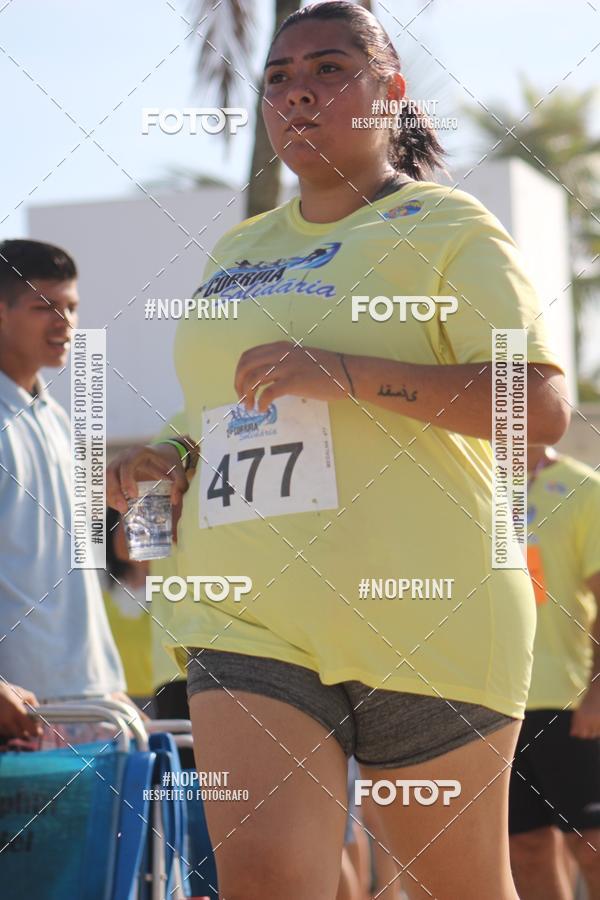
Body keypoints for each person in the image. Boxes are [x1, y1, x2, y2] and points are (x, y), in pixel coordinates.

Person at [107, 3, 569, 897]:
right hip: (246, 616)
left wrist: (347, 373)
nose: (298, 95)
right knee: (268, 883)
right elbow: (220, 409)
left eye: (328, 70)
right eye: (278, 78)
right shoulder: (240, 250)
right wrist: (163, 454)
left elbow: (537, 407)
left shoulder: (449, 226)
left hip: (429, 614)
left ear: (390, 90)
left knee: (453, 887)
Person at [0, 239, 127, 715]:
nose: (65, 323)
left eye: (71, 307)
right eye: (44, 307)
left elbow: (80, 567)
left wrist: (104, 678)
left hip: (90, 701)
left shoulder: (59, 421)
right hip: (19, 708)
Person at [509, 446, 600, 900]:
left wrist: (597, 694)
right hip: (497, 702)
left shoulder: (585, 489)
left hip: (568, 698)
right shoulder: (477, 484)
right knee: (523, 848)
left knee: (591, 845)